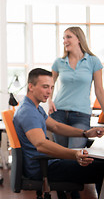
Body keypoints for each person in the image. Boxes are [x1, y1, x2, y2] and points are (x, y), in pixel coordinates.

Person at [14, 68, 104, 197]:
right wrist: (74, 154)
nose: (49, 92)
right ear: (31, 86)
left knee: (98, 163)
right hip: (42, 168)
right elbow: (41, 144)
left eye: (51, 87)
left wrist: (85, 133)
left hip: (46, 163)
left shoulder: (34, 108)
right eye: (45, 87)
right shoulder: (28, 112)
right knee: (101, 168)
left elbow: (56, 126)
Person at [48, 27, 104, 149]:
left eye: (68, 37)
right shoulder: (59, 62)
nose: (64, 41)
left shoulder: (93, 61)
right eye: (63, 38)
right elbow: (49, 85)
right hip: (59, 113)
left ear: (79, 39)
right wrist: (49, 100)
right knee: (62, 154)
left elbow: (99, 90)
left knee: (75, 153)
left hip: (81, 115)